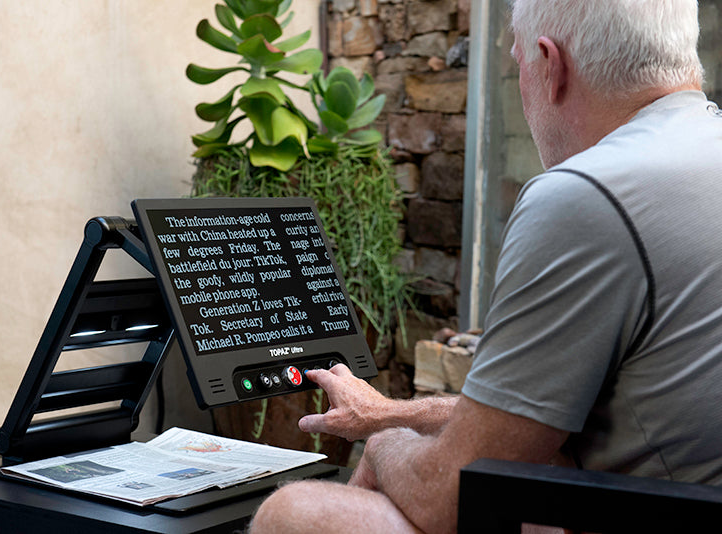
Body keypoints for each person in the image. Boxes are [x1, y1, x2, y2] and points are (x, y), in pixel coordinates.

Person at [250, 0, 722, 532]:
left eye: (518, 61)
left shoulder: (588, 194)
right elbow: (533, 422)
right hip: (663, 495)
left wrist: (383, 444)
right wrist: (388, 413)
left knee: (295, 510)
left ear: (551, 65)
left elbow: (450, 494)